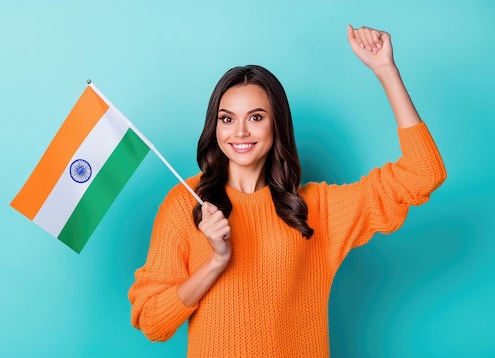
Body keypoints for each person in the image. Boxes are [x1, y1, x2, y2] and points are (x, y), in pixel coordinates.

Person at [128, 25, 446, 357]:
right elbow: (152, 322)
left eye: (255, 117)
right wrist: (215, 262)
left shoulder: (315, 208)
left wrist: (386, 71)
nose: (239, 132)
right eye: (227, 119)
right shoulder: (185, 204)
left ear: (276, 123)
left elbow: (424, 173)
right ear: (215, 125)